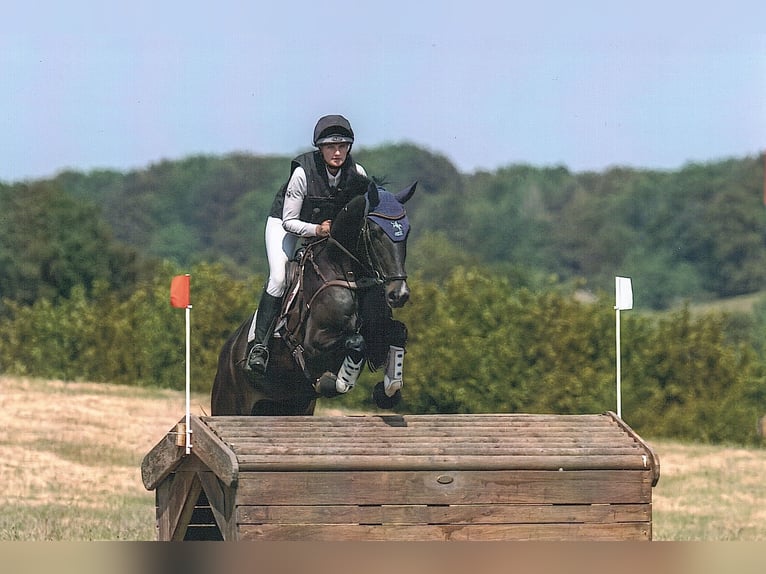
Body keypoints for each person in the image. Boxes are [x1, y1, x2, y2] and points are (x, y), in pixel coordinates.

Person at [245, 114, 372, 373]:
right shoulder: (303, 173)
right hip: (287, 225)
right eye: (330, 147)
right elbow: (289, 221)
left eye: (342, 146)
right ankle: (260, 345)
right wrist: (317, 229)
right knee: (279, 278)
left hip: (327, 233)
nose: (337, 152)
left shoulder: (357, 174)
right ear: (320, 148)